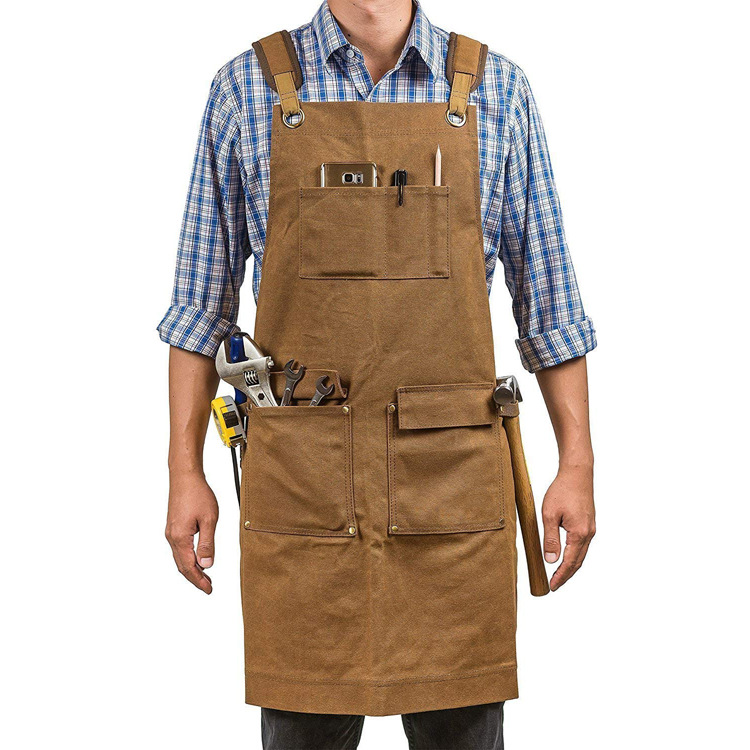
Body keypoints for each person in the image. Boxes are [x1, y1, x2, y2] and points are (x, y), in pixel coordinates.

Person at [158, 1, 597, 747]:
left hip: (452, 497)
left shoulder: (498, 90)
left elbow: (551, 306)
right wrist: (184, 473)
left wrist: (577, 464)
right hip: (305, 493)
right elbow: (199, 312)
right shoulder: (245, 87)